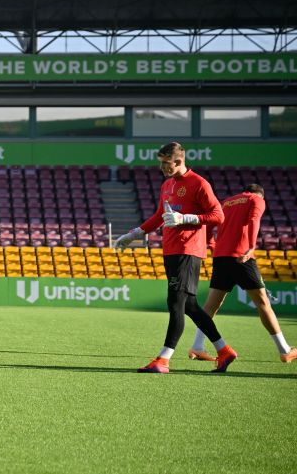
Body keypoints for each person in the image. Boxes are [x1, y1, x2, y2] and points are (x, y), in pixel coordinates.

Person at [114, 141, 235, 373]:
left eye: (165, 163)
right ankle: (224, 351)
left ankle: (163, 359)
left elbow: (218, 215)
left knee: (176, 303)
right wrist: (135, 234)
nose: (162, 168)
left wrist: (186, 219)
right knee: (189, 305)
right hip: (171, 250)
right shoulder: (167, 184)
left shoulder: (199, 183)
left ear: (178, 161)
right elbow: (160, 215)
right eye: (160, 163)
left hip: (188, 251)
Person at [188, 184, 297, 363]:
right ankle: (285, 350)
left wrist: (211, 244)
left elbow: (209, 224)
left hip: (221, 257)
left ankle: (197, 346)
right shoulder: (256, 200)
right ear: (260, 194)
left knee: (210, 306)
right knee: (262, 303)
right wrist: (251, 247)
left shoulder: (226, 203)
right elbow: (254, 220)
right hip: (241, 256)